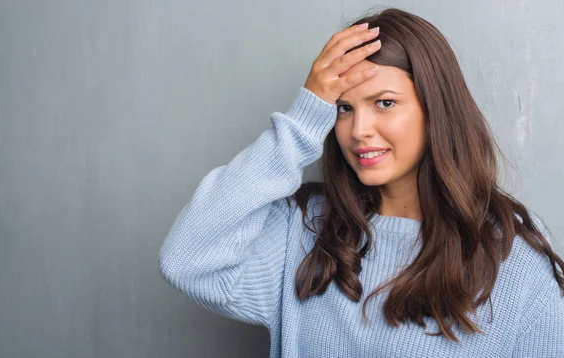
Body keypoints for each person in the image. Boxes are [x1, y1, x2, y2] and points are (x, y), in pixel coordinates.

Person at [159, 7, 564, 357]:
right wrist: (303, 121)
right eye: (343, 109)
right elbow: (187, 261)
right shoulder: (303, 232)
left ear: (435, 109)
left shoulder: (509, 252)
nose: (358, 130)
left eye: (384, 103)